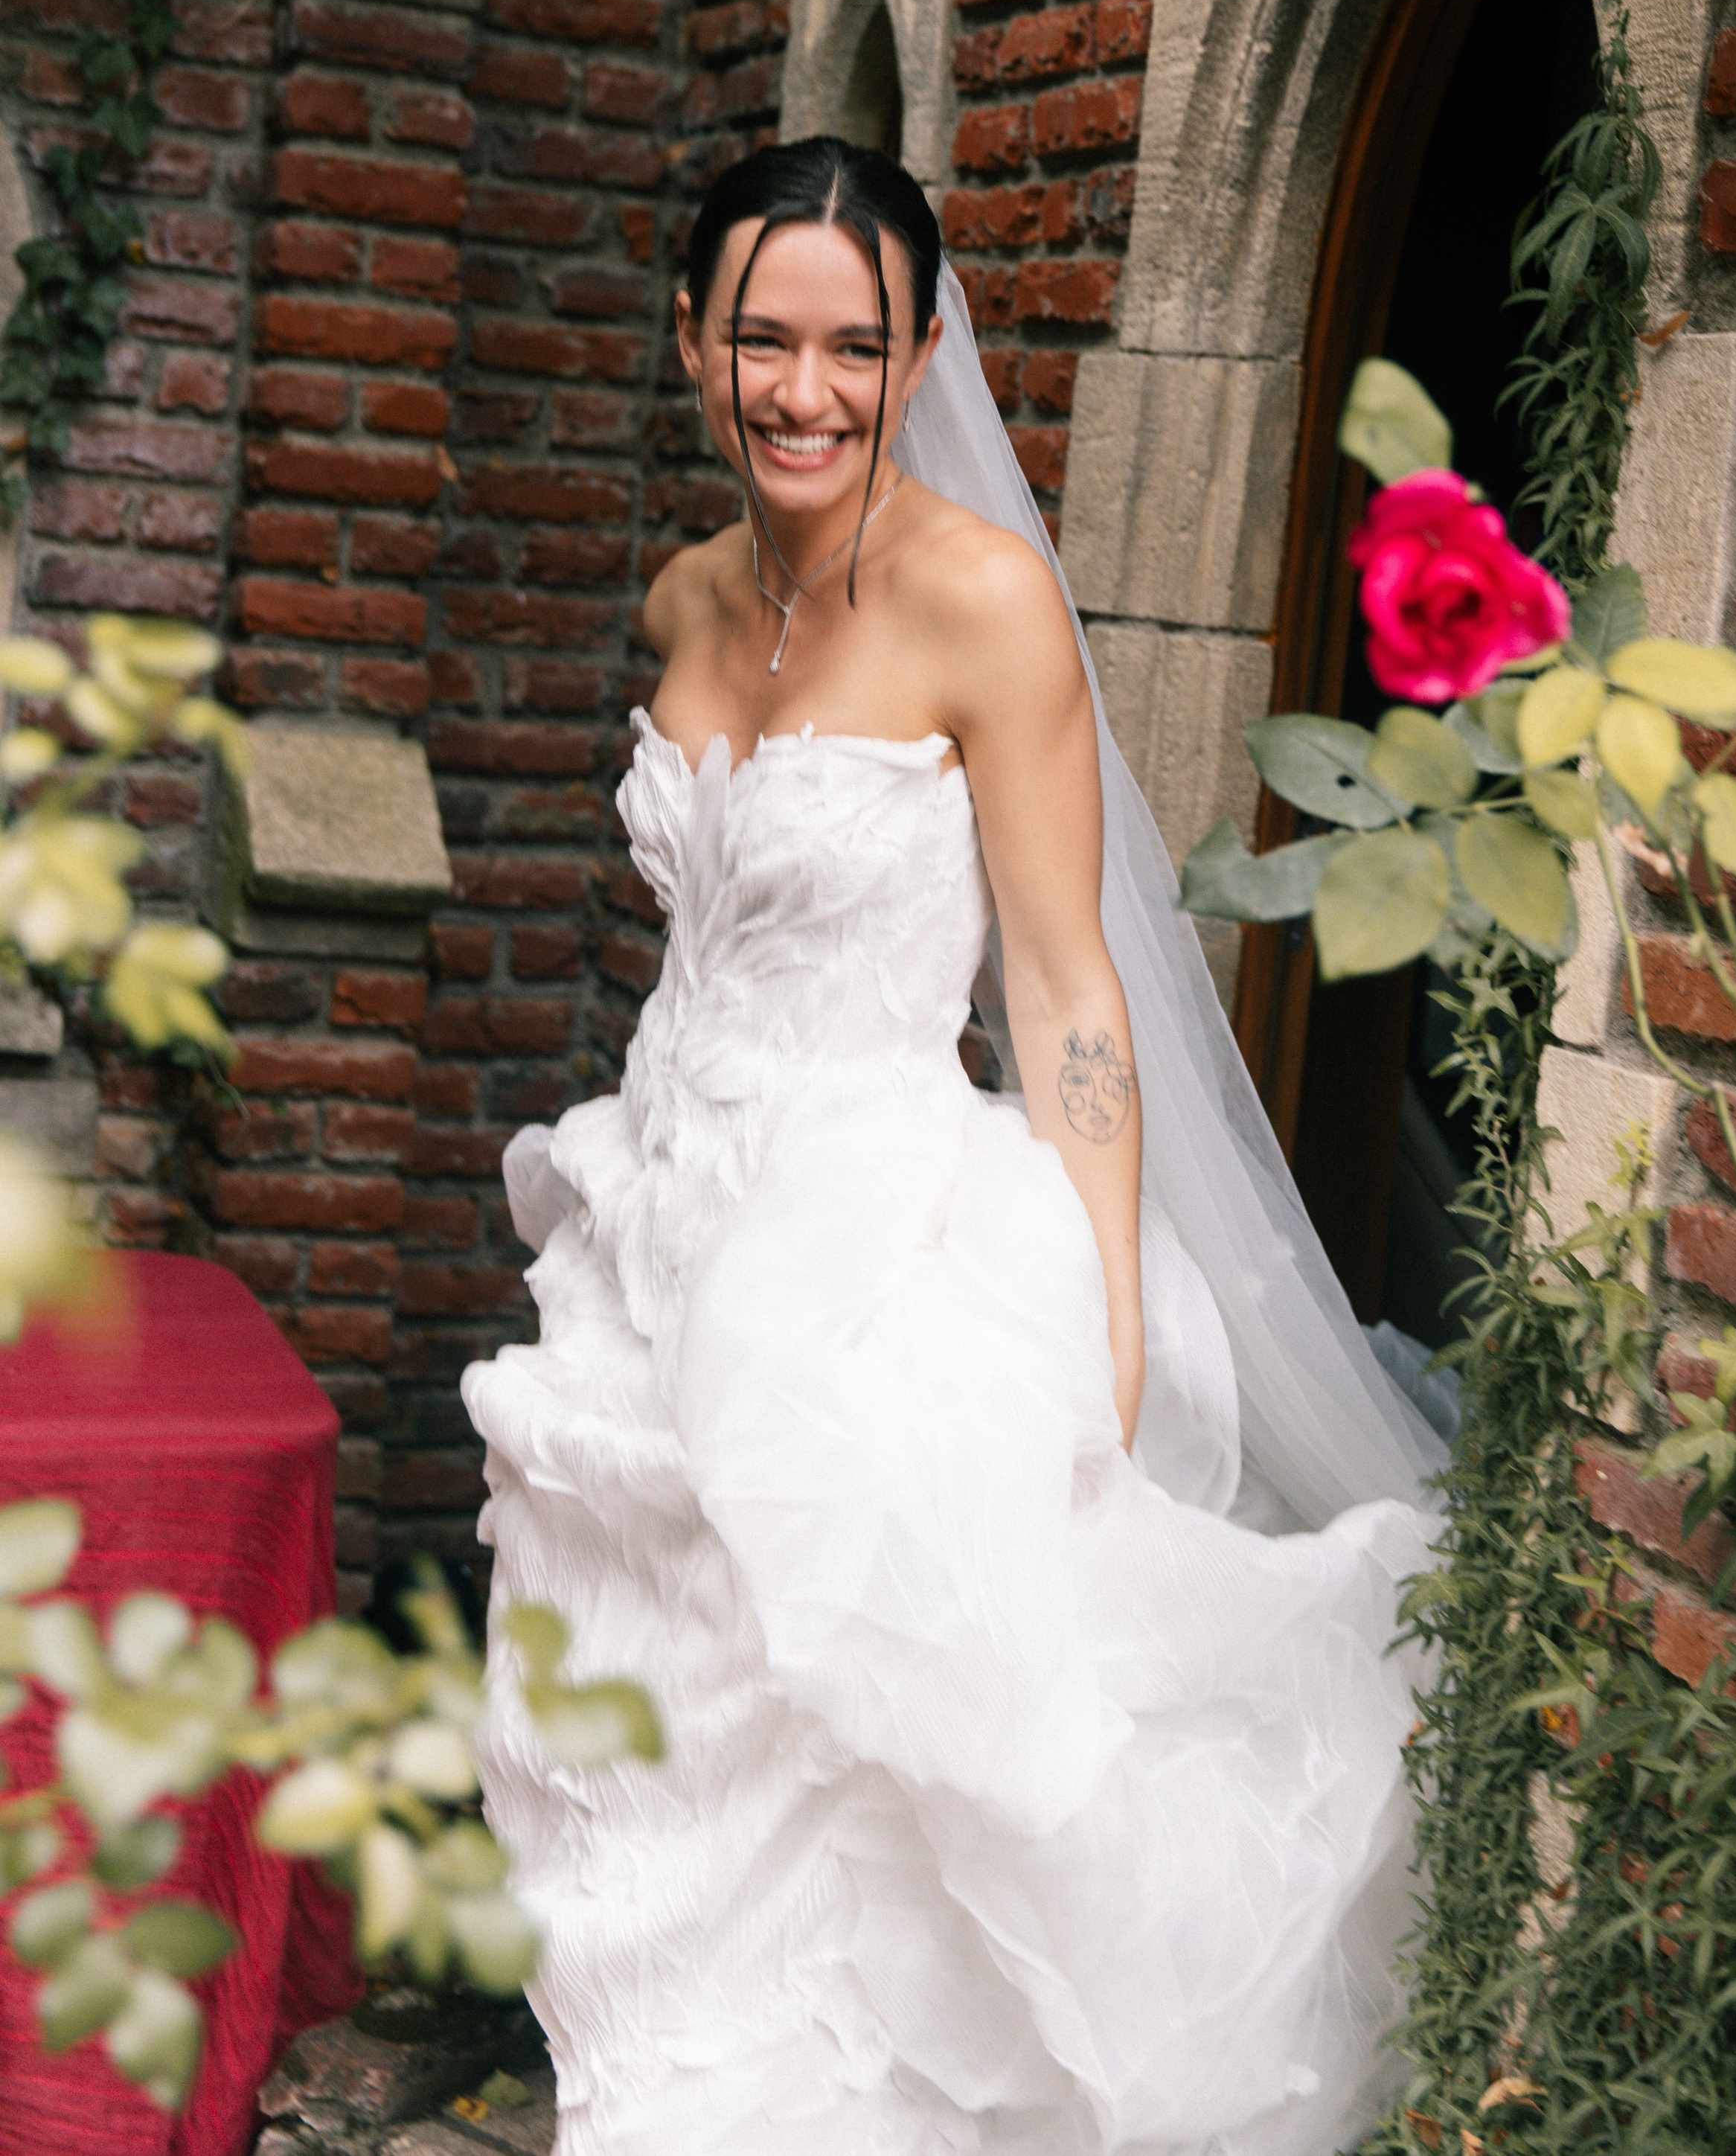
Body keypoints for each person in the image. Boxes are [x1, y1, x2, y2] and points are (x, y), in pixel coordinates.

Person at [463, 137, 1445, 2156]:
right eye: (761, 339)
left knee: (852, 1755)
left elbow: (1070, 990)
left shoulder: (987, 604)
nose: (801, 390)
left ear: (915, 358)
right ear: (693, 342)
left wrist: (1099, 1316)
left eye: (851, 346)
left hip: (871, 1248)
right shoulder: (684, 597)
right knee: (639, 1754)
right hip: (651, 1229)